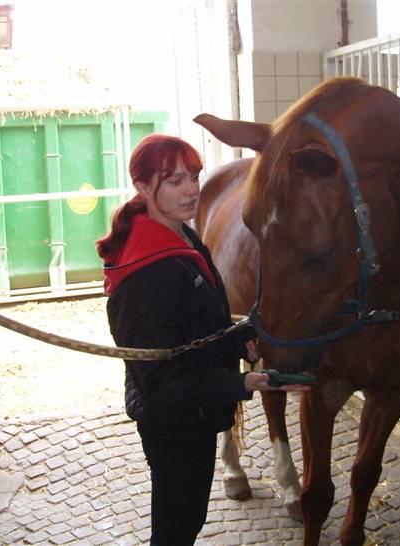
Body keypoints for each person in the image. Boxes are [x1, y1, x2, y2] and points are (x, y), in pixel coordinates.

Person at [96, 134, 309, 546]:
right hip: (172, 421)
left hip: (192, 414)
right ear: (143, 188)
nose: (191, 189)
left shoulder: (182, 237)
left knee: (187, 519)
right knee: (177, 528)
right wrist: (244, 383)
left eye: (193, 177)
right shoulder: (148, 272)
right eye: (174, 181)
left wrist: (239, 340)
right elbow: (160, 382)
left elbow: (198, 328)